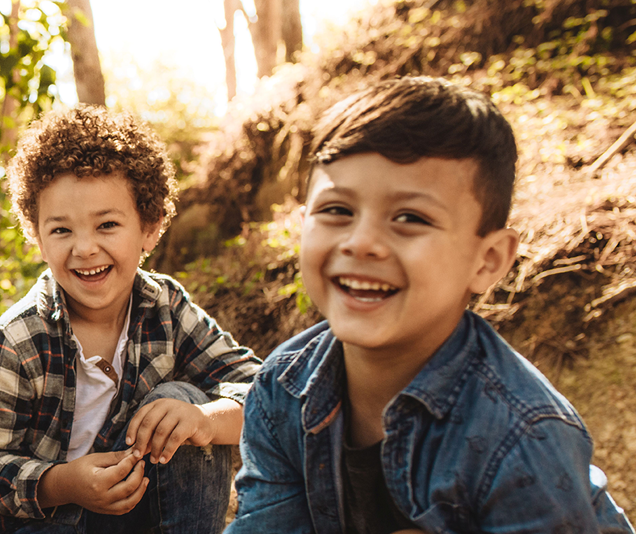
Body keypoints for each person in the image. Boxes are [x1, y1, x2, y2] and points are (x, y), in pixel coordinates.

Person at [228, 76, 634, 533]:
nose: (361, 242)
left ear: (487, 260)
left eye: (410, 218)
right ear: (302, 226)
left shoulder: (522, 433)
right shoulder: (282, 387)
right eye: (337, 210)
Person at [0, 105, 262, 534]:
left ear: (150, 228)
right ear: (36, 237)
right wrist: (62, 484)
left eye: (107, 224)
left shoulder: (165, 308)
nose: (85, 248)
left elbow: (264, 393)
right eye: (61, 230)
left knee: (183, 400)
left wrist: (205, 419)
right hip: (29, 524)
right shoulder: (14, 341)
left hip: (127, 517)